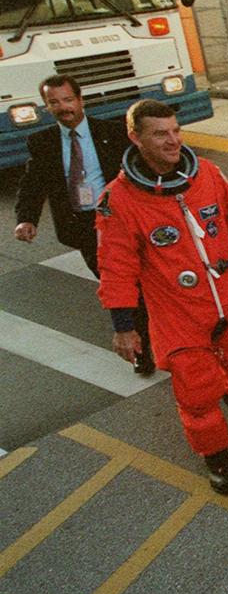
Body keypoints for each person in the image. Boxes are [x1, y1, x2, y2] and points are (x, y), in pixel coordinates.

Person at [96, 100, 228, 494]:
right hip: (178, 316)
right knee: (197, 396)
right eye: (160, 134)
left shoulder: (208, 175)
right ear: (136, 138)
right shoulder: (120, 201)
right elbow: (116, 267)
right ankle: (217, 458)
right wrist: (125, 328)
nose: (173, 140)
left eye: (176, 131)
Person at [14, 74, 153, 375]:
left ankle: (162, 334)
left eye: (67, 100)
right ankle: (143, 348)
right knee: (120, 289)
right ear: (46, 107)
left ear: (80, 100)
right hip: (85, 228)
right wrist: (26, 218)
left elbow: (143, 169)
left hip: (122, 221)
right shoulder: (43, 142)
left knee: (148, 283)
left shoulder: (113, 132)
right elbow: (33, 183)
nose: (63, 107)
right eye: (54, 102)